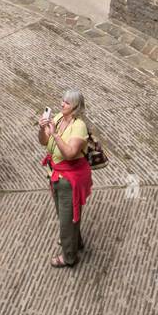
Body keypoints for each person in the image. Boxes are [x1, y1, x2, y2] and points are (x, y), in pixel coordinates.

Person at [38, 90, 92, 268]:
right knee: (66, 216)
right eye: (62, 100)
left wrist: (55, 134)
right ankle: (76, 242)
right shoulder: (60, 117)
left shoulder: (79, 126)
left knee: (66, 220)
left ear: (75, 107)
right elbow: (43, 142)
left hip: (70, 180)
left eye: (67, 103)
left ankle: (69, 257)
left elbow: (70, 153)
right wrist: (42, 128)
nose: (62, 104)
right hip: (56, 175)